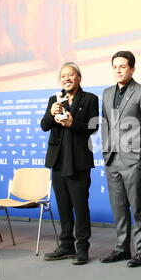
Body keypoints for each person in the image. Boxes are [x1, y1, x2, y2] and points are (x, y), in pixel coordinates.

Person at [100, 51, 141, 267]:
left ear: (132, 69)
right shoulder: (106, 94)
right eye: (115, 66)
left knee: (137, 207)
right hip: (112, 159)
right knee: (118, 208)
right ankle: (121, 249)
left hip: (134, 160)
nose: (118, 70)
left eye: (123, 66)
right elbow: (105, 124)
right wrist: (106, 152)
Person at [41, 62, 99, 265]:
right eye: (63, 76)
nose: (67, 78)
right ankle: (66, 246)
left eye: (71, 75)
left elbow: (93, 126)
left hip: (78, 161)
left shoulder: (90, 99)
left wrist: (73, 124)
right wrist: (51, 112)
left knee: (80, 206)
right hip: (58, 161)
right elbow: (44, 126)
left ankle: (82, 248)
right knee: (63, 206)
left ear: (79, 78)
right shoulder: (54, 99)